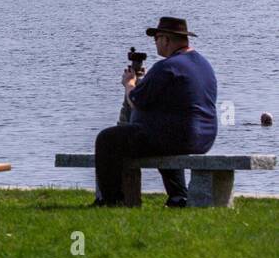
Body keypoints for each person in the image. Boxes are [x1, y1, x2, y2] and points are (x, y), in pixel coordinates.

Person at [93, 17, 217, 207]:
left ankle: (112, 200)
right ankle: (178, 197)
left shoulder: (167, 66)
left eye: (157, 38)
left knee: (107, 139)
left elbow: (135, 101)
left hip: (177, 137)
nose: (155, 43)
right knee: (159, 136)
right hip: (204, 137)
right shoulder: (203, 64)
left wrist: (130, 83)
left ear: (166, 40)